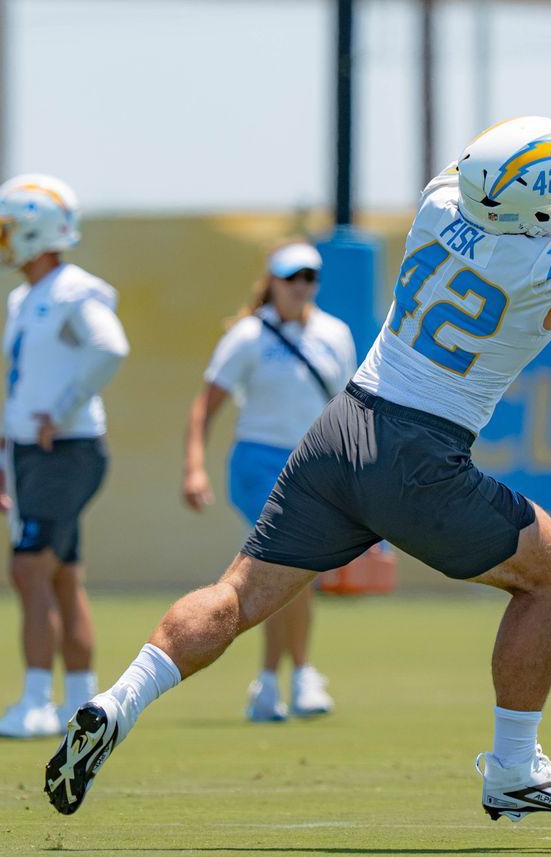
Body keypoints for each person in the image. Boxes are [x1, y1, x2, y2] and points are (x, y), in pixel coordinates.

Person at [45, 37, 551, 820]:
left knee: (236, 593)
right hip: (419, 451)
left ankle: (120, 701)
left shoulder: (440, 205)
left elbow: (549, 141)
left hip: (343, 427)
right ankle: (511, 767)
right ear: (542, 209)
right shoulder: (547, 271)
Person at [0, 175, 130, 739]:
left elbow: (110, 347)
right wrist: (0, 450)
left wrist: (62, 410)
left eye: (9, 228)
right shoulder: (25, 297)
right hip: (33, 453)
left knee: (29, 568)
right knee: (62, 575)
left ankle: (37, 703)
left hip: (65, 450)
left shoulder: (74, 291)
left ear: (37, 231)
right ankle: (82, 702)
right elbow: (21, 383)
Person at [182, 241, 356, 722]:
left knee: (286, 575)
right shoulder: (248, 336)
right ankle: (302, 677)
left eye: (308, 278)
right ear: (273, 282)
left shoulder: (335, 334)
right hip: (259, 462)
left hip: (315, 462)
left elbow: (347, 406)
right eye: (290, 278)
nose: (300, 287)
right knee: (293, 567)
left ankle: (266, 683)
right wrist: (194, 465)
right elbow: (206, 406)